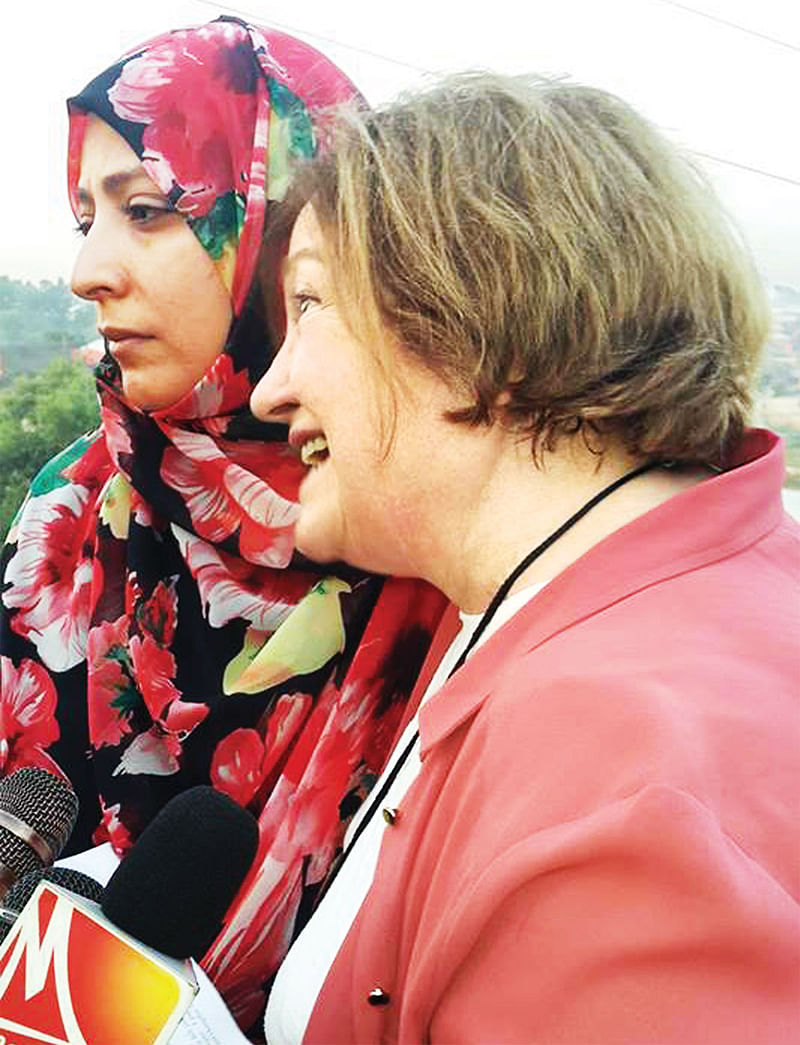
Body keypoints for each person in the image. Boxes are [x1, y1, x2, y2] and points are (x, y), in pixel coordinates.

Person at [250, 73, 800, 1043]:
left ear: (473, 323)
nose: (269, 389)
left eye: (308, 305)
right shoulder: (561, 597)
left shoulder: (621, 770)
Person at [0, 17, 446, 1033]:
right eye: (86, 220)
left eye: (149, 210)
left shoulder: (433, 562)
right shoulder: (75, 509)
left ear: (290, 233)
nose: (89, 272)